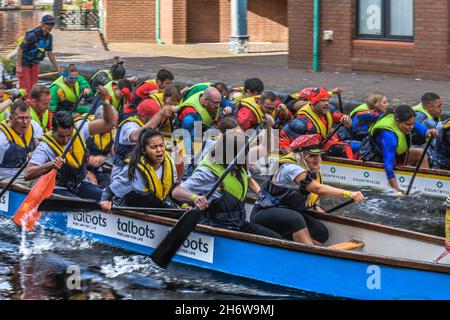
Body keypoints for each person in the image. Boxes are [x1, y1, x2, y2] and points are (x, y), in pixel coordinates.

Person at [250, 134, 364, 245]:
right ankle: (310, 253)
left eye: (318, 155)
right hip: (263, 213)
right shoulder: (291, 168)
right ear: (300, 155)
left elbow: (311, 199)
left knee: (320, 232)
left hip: (285, 213)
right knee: (295, 219)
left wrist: (320, 211)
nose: (317, 160)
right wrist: (348, 193)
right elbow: (316, 189)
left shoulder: (309, 170)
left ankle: (301, 245)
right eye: (311, 156)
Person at [171, 132, 283, 239]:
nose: (246, 157)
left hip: (238, 223)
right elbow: (176, 192)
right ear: (230, 154)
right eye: (244, 154)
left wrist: (268, 124)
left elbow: (265, 149)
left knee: (278, 239)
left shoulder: (238, 163)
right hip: (216, 226)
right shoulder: (207, 173)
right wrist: (195, 198)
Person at [24, 87, 116, 200]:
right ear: (53, 131)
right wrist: (50, 165)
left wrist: (105, 100)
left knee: (106, 197)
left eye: (69, 135)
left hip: (80, 184)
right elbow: (27, 174)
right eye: (61, 136)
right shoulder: (45, 147)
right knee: (77, 202)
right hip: (57, 188)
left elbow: (109, 123)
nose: (66, 140)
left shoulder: (80, 128)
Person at [100, 128, 180, 217]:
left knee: (178, 213)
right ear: (143, 150)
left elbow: (173, 189)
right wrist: (105, 200)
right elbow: (110, 190)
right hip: (132, 209)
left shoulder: (169, 163)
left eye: (161, 145)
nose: (159, 150)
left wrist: (183, 204)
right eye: (154, 147)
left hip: (155, 207)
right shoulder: (134, 168)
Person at [358, 105, 438, 194]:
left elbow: (419, 127)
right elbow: (388, 164)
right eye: (408, 124)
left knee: (421, 154)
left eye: (412, 123)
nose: (411, 127)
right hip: (375, 156)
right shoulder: (389, 137)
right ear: (398, 121)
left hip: (393, 153)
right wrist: (396, 188)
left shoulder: (404, 120)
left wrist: (428, 132)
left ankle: (426, 186)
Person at [280, 87, 353, 158]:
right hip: (307, 150)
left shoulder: (328, 108)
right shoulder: (302, 121)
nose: (327, 103)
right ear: (314, 102)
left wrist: (346, 119)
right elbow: (284, 138)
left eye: (327, 100)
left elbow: (340, 117)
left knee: (345, 148)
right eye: (323, 101)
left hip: (320, 144)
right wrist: (292, 159)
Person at [112, 99, 175, 179]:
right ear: (143, 116)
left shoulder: (149, 124)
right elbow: (135, 136)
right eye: (154, 117)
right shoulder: (129, 125)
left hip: (139, 170)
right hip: (122, 174)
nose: (158, 120)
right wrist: (159, 114)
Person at [16, 14, 61, 94]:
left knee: (34, 89)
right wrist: (19, 66)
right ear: (43, 24)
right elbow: (20, 49)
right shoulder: (32, 36)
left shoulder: (49, 37)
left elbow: (50, 53)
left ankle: (32, 104)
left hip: (35, 64)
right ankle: (22, 105)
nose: (50, 26)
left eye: (52, 24)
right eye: (48, 24)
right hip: (24, 64)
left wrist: (57, 67)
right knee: (25, 90)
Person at [0, 101, 43, 179]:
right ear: (11, 118)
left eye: (27, 118)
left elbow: (42, 150)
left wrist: (34, 153)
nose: (25, 122)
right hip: (6, 181)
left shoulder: (34, 127)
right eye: (20, 118)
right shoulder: (2, 138)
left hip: (29, 176)